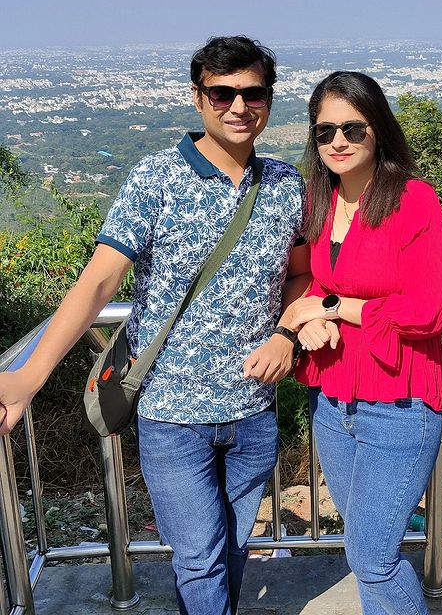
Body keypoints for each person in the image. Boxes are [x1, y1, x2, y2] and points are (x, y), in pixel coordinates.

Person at [0, 36, 309, 615]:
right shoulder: (157, 178)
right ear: (198, 97)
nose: (238, 106)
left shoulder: (284, 183)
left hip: (253, 408)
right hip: (172, 414)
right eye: (221, 93)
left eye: (253, 93)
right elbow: (99, 281)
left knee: (232, 548)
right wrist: (29, 377)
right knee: (198, 557)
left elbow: (301, 274)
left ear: (269, 99)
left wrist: (285, 334)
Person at [287, 71, 442, 615]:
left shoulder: (413, 201)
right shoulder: (319, 202)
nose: (338, 141)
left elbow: (427, 312)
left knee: (372, 556)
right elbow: (313, 282)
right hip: (333, 401)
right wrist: (307, 318)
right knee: (363, 548)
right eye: (325, 131)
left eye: (352, 129)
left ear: (378, 129)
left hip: (400, 404)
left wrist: (334, 307)